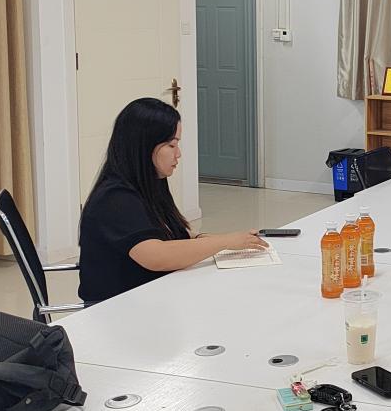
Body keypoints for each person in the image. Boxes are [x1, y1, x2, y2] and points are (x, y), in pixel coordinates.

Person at [78, 98, 269, 304]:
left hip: (153, 295)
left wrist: (224, 240)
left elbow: (168, 231)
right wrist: (225, 242)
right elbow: (157, 256)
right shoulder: (115, 198)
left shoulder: (150, 181)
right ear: (144, 146)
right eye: (171, 145)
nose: (178, 154)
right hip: (117, 307)